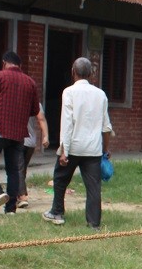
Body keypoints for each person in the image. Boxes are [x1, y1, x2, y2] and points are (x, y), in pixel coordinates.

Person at [42, 57, 112, 229]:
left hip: (73, 146)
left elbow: (67, 123)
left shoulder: (69, 92)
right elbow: (106, 127)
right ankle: (94, 223)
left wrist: (64, 151)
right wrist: (105, 149)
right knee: (93, 187)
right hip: (93, 149)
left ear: (73, 72)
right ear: (91, 74)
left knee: (60, 179)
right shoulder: (100, 94)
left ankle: (57, 212)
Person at [0, 51, 40, 214]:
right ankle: (11, 208)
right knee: (13, 170)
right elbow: (34, 110)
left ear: (5, 62)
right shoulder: (30, 82)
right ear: (20, 65)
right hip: (18, 133)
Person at [18, 103, 49, 209]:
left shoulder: (13, 98)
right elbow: (41, 119)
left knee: (18, 169)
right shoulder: (35, 101)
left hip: (18, 140)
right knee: (22, 169)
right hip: (30, 142)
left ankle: (22, 196)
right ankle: (20, 194)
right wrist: (45, 136)